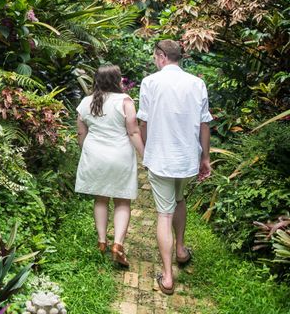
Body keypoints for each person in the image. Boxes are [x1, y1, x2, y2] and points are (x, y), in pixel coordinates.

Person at [136, 39, 212, 295]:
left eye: (155, 57)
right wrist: (205, 158)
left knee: (164, 214)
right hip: (188, 159)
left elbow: (143, 122)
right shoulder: (197, 83)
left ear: (161, 56)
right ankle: (180, 250)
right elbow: (204, 124)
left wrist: (146, 150)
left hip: (161, 159)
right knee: (179, 199)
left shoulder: (150, 82)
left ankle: (167, 277)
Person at [75, 65, 145, 267]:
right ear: (117, 80)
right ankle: (118, 245)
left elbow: (81, 133)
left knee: (101, 198)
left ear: (96, 80)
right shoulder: (125, 102)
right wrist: (144, 156)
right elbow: (133, 132)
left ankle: (102, 242)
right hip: (119, 155)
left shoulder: (86, 102)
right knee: (122, 201)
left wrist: (86, 151)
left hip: (95, 155)